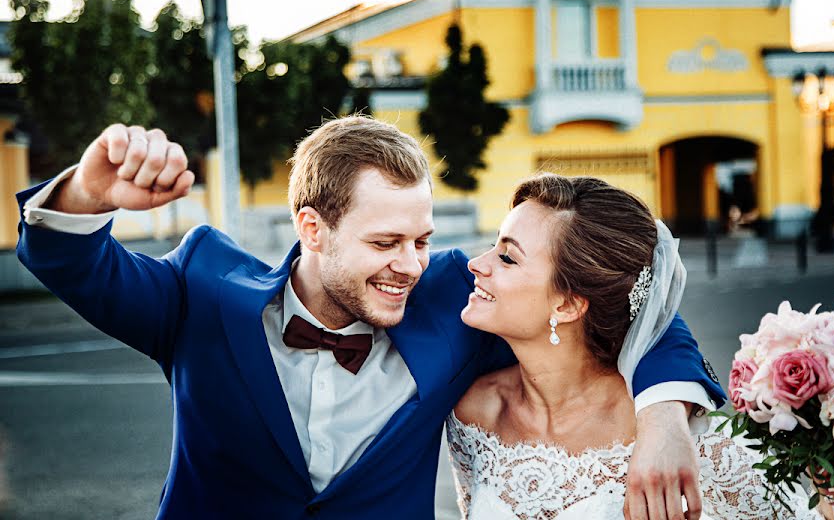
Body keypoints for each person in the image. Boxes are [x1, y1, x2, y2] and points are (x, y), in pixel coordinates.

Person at [16, 117, 724, 519]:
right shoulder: (203, 294)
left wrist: (663, 418)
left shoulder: (454, 295)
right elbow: (73, 265)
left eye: (420, 239)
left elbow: (630, 304)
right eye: (384, 243)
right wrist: (85, 191)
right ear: (312, 229)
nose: (411, 265)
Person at [446, 173, 834, 520]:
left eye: (507, 256)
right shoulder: (473, 414)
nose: (474, 265)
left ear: (567, 304)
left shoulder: (694, 446)